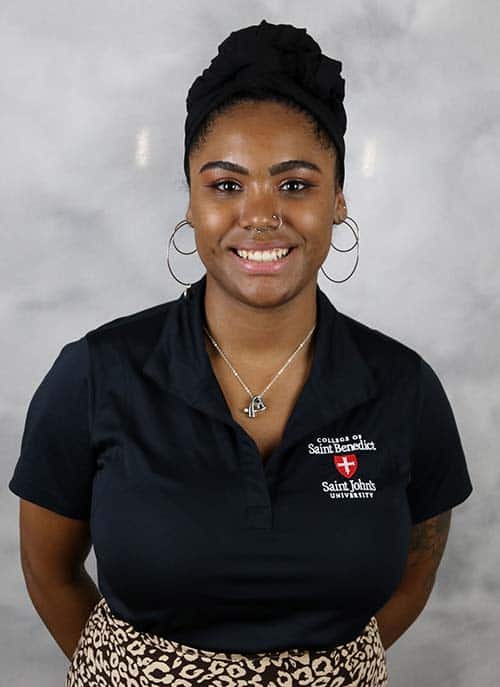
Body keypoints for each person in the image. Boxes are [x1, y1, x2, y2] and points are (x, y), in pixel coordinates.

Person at [9, 19, 473, 687]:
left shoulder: (405, 389)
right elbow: (47, 571)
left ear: (338, 199)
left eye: (295, 184)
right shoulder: (95, 373)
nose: (260, 215)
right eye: (226, 185)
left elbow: (415, 570)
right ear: (191, 201)